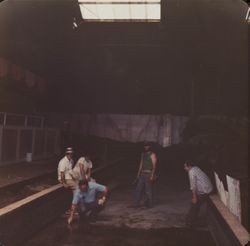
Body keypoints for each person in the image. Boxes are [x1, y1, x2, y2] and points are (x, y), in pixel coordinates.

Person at [184, 161, 213, 227]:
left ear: (189, 166)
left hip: (206, 191)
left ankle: (190, 222)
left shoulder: (191, 171)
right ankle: (193, 219)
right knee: (196, 201)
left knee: (194, 203)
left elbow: (193, 186)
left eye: (185, 166)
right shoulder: (196, 168)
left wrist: (194, 197)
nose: (184, 168)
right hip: (209, 189)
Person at [133, 142, 157, 208]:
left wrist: (152, 175)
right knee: (138, 188)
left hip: (149, 173)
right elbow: (141, 164)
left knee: (148, 190)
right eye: (145, 146)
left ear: (150, 147)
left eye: (147, 146)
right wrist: (138, 174)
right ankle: (136, 204)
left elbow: (154, 165)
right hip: (142, 173)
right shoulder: (143, 154)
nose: (146, 147)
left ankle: (149, 204)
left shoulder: (152, 154)